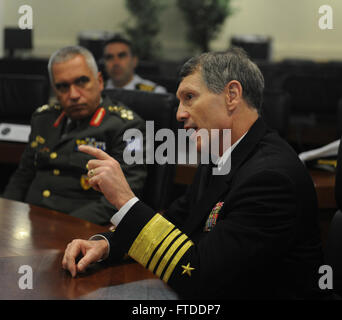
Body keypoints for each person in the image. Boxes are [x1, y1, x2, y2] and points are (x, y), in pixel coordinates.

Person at [62, 48, 327, 299]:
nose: (178, 114)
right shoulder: (222, 155)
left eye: (189, 97)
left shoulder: (271, 179)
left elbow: (198, 277)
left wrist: (124, 199)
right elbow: (178, 220)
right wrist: (109, 244)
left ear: (232, 95)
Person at [3, 46, 147, 226]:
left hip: (81, 228)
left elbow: (125, 196)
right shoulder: (43, 119)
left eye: (81, 82)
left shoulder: (128, 127)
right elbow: (23, 176)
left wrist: (65, 226)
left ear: (100, 81)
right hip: (31, 223)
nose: (73, 95)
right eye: (62, 87)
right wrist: (5, 215)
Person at [103, 37, 167, 94]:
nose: (116, 63)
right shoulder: (99, 90)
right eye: (109, 57)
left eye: (122, 56)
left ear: (134, 61)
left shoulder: (154, 93)